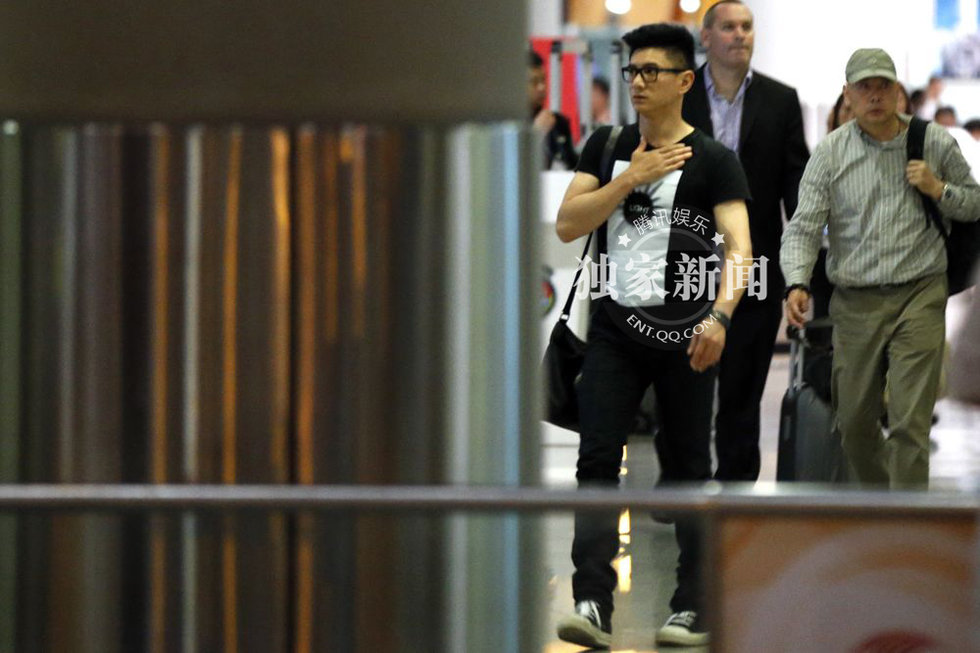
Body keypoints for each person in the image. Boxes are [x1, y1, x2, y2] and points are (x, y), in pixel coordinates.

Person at [553, 23, 751, 648]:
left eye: (652, 72)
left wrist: (721, 316)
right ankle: (592, 599)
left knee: (688, 466)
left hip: (687, 332)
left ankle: (693, 605)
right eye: (632, 71)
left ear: (685, 81)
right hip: (614, 332)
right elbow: (567, 224)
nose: (638, 82)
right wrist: (628, 179)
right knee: (595, 461)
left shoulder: (714, 161)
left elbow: (741, 250)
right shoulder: (607, 145)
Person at [781, 48, 980, 489]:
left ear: (898, 92)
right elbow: (803, 227)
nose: (874, 96)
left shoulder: (933, 142)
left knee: (910, 424)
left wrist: (938, 188)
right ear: (847, 94)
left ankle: (904, 519)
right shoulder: (831, 153)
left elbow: (974, 203)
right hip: (855, 300)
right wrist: (796, 281)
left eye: (883, 86)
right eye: (864, 87)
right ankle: (884, 499)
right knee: (853, 423)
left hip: (920, 293)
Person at [680, 0, 809, 482]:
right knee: (685, 389)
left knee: (742, 393)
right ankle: (685, 489)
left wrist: (800, 269)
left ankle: (735, 496)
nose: (740, 35)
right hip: (688, 266)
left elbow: (796, 187)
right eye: (729, 27)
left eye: (747, 27)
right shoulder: (680, 96)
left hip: (757, 266)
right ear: (706, 37)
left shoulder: (779, 100)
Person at [528, 50, 579, 170]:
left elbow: (572, 166)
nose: (542, 87)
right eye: (534, 82)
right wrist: (536, 133)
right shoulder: (510, 126)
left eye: (543, 80)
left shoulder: (558, 122)